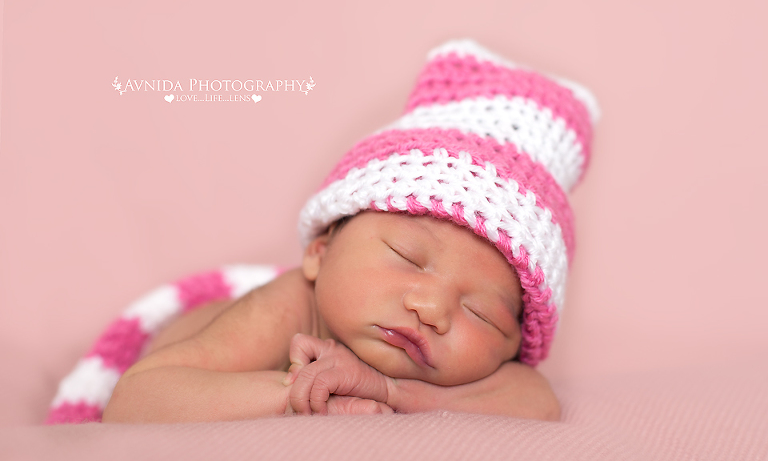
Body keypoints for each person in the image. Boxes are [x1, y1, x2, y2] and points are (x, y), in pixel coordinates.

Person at [102, 39, 599, 423]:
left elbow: (537, 403)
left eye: (481, 314)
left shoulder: (447, 368)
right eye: (407, 257)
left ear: (514, 346)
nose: (433, 309)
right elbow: (137, 400)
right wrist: (310, 394)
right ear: (320, 251)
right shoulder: (293, 306)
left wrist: (387, 391)